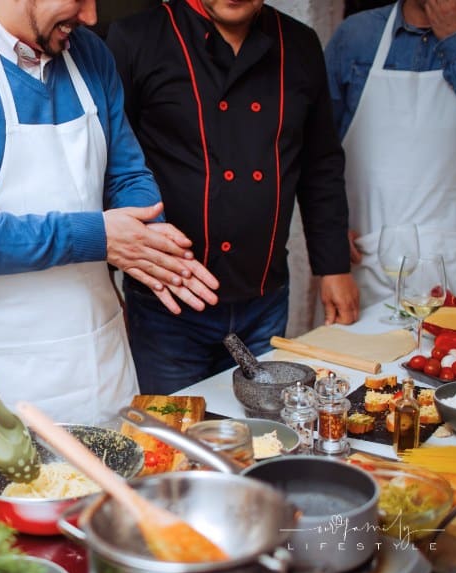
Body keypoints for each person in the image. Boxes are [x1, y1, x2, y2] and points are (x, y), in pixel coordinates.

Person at [0, 0, 220, 482]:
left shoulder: (90, 56)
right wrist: (100, 236)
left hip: (102, 360)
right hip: (2, 377)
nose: (89, 16)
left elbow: (127, 174)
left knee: (117, 522)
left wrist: (148, 239)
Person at [105, 0, 360, 394]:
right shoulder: (137, 39)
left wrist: (333, 267)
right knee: (174, 443)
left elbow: (320, 163)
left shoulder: (299, 44)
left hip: (264, 300)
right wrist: (106, 289)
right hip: (167, 306)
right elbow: (107, 166)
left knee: (263, 437)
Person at [326, 0, 456, 306]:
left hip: (452, 259)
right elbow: (316, 150)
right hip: (365, 254)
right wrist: (330, 229)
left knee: (450, 354)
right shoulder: (356, 36)